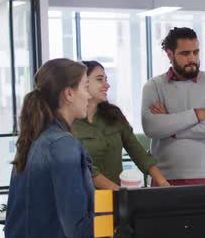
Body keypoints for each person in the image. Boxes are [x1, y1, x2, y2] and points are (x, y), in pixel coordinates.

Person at [1, 59, 112, 238]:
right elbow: (76, 227)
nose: (88, 96)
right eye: (84, 87)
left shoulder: (36, 136)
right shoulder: (64, 145)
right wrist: (116, 218)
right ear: (69, 94)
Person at [141, 27, 205, 186]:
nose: (192, 59)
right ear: (170, 54)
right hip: (165, 180)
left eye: (196, 52)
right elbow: (152, 128)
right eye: (185, 53)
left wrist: (171, 128)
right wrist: (195, 115)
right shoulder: (153, 86)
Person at [72, 60, 169, 190]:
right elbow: (87, 168)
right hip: (85, 198)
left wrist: (163, 183)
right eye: (100, 79)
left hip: (116, 198)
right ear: (83, 82)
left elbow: (138, 152)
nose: (107, 85)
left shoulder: (114, 115)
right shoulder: (68, 122)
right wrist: (120, 193)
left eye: (106, 79)